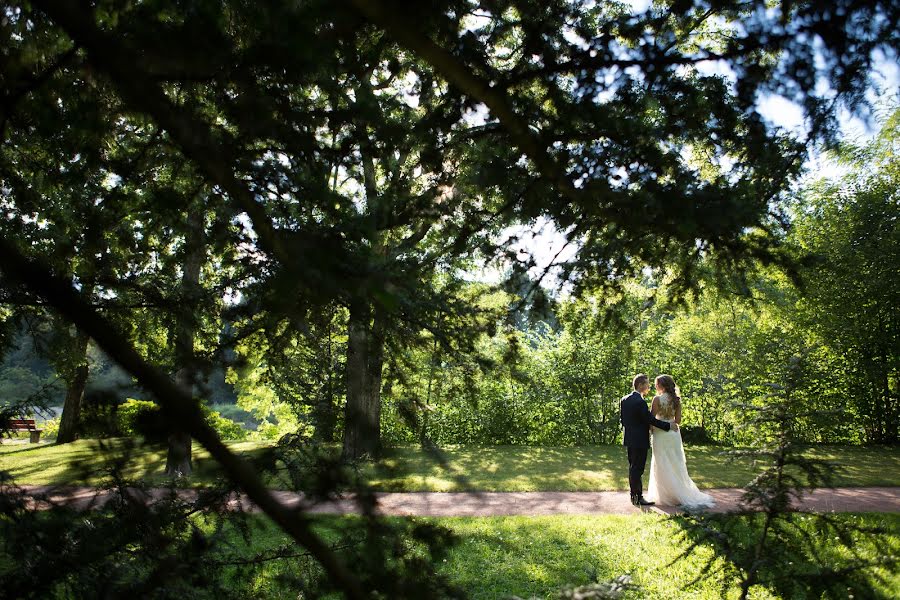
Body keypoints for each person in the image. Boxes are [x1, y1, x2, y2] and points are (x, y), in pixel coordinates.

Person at [646, 374, 714, 509]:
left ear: (662, 385)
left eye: (656, 384)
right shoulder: (676, 400)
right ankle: (678, 493)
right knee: (675, 462)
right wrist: (669, 422)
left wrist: (651, 430)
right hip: (673, 434)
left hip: (660, 433)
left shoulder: (657, 399)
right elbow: (678, 421)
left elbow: (651, 419)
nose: (655, 386)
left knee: (661, 462)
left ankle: (665, 495)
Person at [620, 373, 677, 506]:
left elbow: (622, 420)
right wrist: (668, 425)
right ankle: (638, 497)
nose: (649, 387)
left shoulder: (624, 399)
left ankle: (634, 495)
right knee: (638, 469)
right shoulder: (640, 401)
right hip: (639, 440)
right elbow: (649, 419)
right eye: (647, 384)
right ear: (640, 385)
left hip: (629, 439)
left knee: (633, 468)